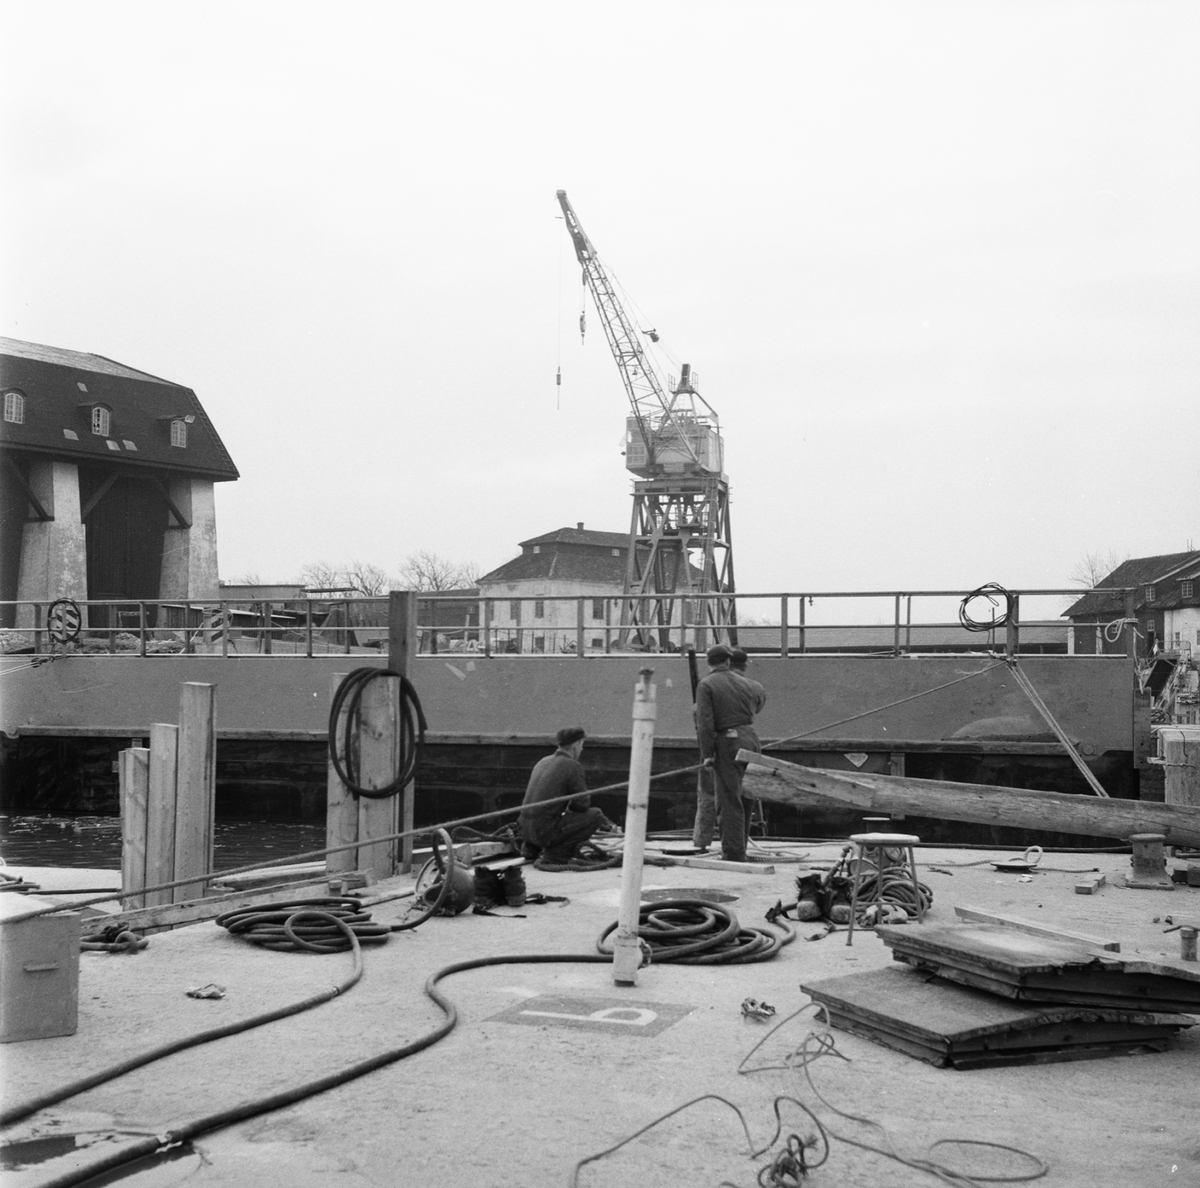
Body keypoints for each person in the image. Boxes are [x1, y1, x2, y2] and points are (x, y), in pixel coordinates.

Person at [694, 644, 761, 863]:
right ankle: (740, 847)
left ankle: (733, 854)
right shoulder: (747, 683)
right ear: (728, 661)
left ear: (708, 661)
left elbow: (705, 723)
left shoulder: (706, 684)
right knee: (746, 796)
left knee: (729, 800)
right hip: (751, 739)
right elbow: (756, 705)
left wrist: (708, 754)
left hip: (728, 743)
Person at [518, 726, 614, 871]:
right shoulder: (572, 765)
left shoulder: (543, 761)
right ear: (576, 745)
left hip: (523, 830)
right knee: (596, 815)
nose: (581, 749)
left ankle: (531, 848)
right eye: (582, 745)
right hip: (543, 832)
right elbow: (582, 805)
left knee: (542, 815)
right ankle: (556, 855)